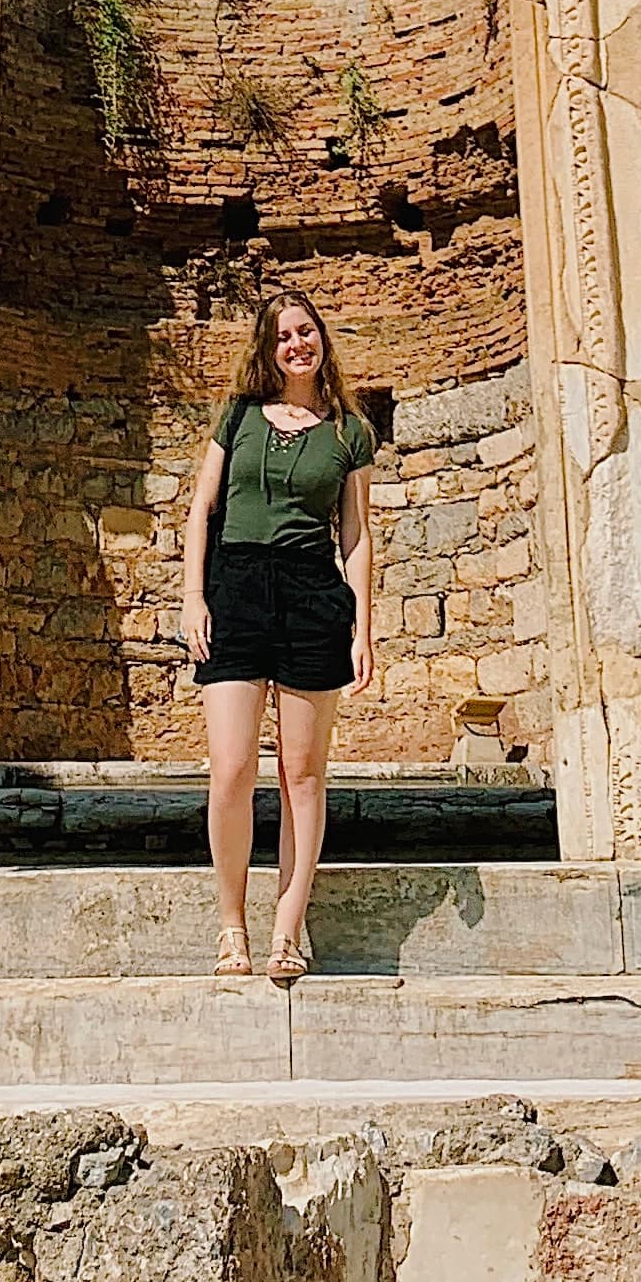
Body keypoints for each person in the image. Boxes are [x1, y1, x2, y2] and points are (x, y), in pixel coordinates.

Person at [178, 287, 377, 984]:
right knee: (230, 765)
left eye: (307, 331)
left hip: (311, 592)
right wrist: (192, 596)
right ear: (267, 349)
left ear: (322, 340)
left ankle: (288, 927)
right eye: (283, 335)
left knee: (303, 773)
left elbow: (353, 535)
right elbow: (201, 508)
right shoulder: (237, 416)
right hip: (235, 584)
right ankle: (231, 923)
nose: (297, 343)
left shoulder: (350, 430)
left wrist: (363, 627)